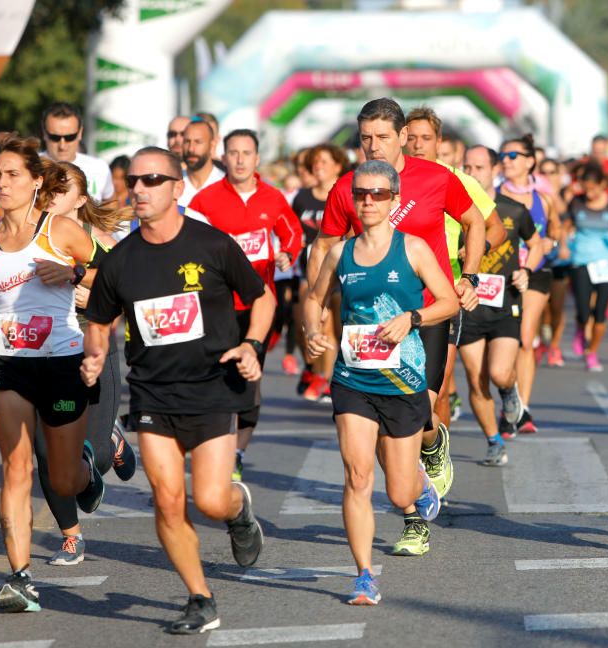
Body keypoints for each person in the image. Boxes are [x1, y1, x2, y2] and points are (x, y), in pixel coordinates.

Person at [81, 146, 273, 633]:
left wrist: (251, 344)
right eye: (134, 181)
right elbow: (99, 321)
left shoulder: (211, 245)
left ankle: (238, 509)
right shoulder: (121, 260)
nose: (139, 189)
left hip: (212, 387)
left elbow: (261, 297)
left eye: (151, 180)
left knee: (209, 500)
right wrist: (94, 354)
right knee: (167, 500)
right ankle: (199, 597)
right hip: (152, 393)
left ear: (177, 188)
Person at [307, 98, 486, 558]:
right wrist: (316, 309)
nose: (373, 146)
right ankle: (412, 517)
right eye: (365, 138)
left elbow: (474, 221)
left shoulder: (436, 178)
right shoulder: (349, 187)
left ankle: (433, 440)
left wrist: (469, 276)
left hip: (425, 313)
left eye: (383, 137)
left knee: (417, 415)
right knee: (383, 432)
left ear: (404, 135)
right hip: (366, 329)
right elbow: (325, 244)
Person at [304, 160, 458, 603]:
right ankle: (364, 574)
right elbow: (315, 299)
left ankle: (420, 487)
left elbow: (447, 302)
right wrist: (312, 333)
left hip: (403, 379)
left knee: (398, 491)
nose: (367, 202)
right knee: (357, 475)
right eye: (361, 195)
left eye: (377, 194)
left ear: (394, 199)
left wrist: (412, 318)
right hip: (353, 378)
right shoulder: (340, 253)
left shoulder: (413, 249)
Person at [0, 133, 106, 612]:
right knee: (16, 468)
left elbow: (110, 275)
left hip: (61, 362)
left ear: (35, 182)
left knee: (63, 478)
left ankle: (85, 472)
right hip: (6, 364)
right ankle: (20, 577)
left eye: (11, 175)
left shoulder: (61, 231)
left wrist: (70, 275)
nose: (1, 183)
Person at [38, 162, 136, 566]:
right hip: (42, 355)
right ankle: (71, 536)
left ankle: (108, 439)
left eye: (62, 190)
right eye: (48, 189)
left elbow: (125, 290)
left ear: (80, 199)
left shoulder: (102, 242)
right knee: (47, 454)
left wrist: (93, 299)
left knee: (89, 461)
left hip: (92, 346)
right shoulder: (29, 238)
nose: (51, 196)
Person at [188, 130, 302, 482]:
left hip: (258, 306)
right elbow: (187, 241)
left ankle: (236, 452)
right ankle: (215, 447)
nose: (239, 159)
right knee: (216, 376)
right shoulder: (205, 201)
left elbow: (294, 233)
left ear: (256, 159)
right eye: (233, 152)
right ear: (224, 157)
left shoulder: (272, 197)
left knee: (249, 381)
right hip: (217, 305)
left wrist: (287, 254)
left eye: (246, 153)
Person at [403, 107, 506, 441]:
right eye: (413, 138)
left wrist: (472, 261)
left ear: (439, 142)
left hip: (447, 289)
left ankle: (434, 460)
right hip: (400, 289)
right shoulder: (389, 178)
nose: (419, 145)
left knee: (439, 387)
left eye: (426, 139)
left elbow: (494, 228)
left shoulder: (457, 180)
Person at [461, 145, 543, 466]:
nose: (471, 173)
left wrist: (527, 271)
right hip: (468, 304)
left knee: (499, 372)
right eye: (466, 166)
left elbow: (535, 245)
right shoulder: (453, 212)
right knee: (475, 379)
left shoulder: (513, 210)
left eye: (479, 167)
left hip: (505, 301)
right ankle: (493, 440)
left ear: (494, 170)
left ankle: (510, 393)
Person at [498, 134, 561, 435]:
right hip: (502, 274)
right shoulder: (493, 196)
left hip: (535, 273)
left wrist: (551, 242)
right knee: (504, 344)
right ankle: (509, 398)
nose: (506, 161)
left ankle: (522, 407)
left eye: (513, 156)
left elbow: (558, 233)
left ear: (529, 161)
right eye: (503, 155)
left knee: (525, 338)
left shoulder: (543, 199)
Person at [291, 144, 349, 401]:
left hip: (341, 269)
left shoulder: (346, 193)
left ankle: (331, 378)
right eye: (315, 162)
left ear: (338, 165)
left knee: (337, 329)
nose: (319, 166)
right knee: (309, 322)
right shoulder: (302, 197)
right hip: (310, 270)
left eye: (325, 161)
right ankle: (318, 372)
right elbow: (293, 233)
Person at [565, 164, 608, 371]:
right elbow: (566, 227)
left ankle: (591, 351)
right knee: (584, 310)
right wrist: (564, 245)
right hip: (581, 260)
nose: (590, 194)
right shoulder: (577, 203)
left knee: (600, 312)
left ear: (602, 184)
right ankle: (580, 328)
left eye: (593, 189)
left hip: (606, 263)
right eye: (586, 189)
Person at [41, 102, 113, 203]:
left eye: (70, 137)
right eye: (55, 138)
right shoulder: (30, 167)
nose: (62, 145)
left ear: (80, 133)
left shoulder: (100, 168)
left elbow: (111, 206)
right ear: (44, 133)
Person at [178, 118, 223, 209]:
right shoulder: (173, 186)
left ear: (212, 145)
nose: (191, 149)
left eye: (198, 142)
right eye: (187, 142)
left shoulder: (226, 184)